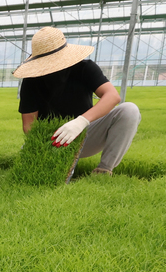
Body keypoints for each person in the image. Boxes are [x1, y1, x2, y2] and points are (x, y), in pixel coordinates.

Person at [12, 26, 141, 175]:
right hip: (52, 139)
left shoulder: (84, 68)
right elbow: (29, 125)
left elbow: (112, 96)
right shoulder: (32, 80)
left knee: (129, 110)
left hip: (86, 133)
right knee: (32, 168)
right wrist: (47, 145)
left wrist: (81, 121)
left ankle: (104, 169)